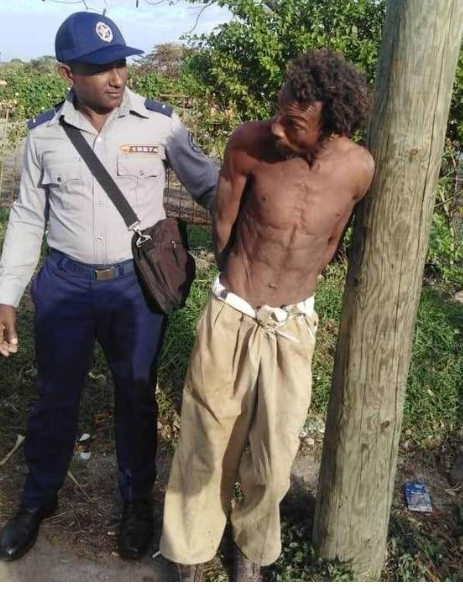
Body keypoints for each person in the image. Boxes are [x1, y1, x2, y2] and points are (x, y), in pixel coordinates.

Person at [0, 12, 219, 562]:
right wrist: (6, 294)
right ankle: (38, 499)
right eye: (99, 69)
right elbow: (26, 217)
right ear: (67, 72)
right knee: (54, 399)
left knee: (135, 397)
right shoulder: (44, 136)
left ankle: (136, 502)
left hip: (133, 288)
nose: (116, 77)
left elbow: (212, 187)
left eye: (120, 63)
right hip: (65, 285)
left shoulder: (160, 125)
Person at [160, 50, 375, 581]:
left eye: (294, 121)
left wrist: (290, 292)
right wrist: (244, 288)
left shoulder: (358, 169)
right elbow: (224, 226)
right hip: (231, 314)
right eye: (278, 110)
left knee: (275, 452)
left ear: (332, 126)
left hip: (292, 327)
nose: (277, 127)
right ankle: (190, 549)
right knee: (206, 441)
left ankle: (253, 547)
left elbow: (330, 241)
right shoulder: (248, 144)